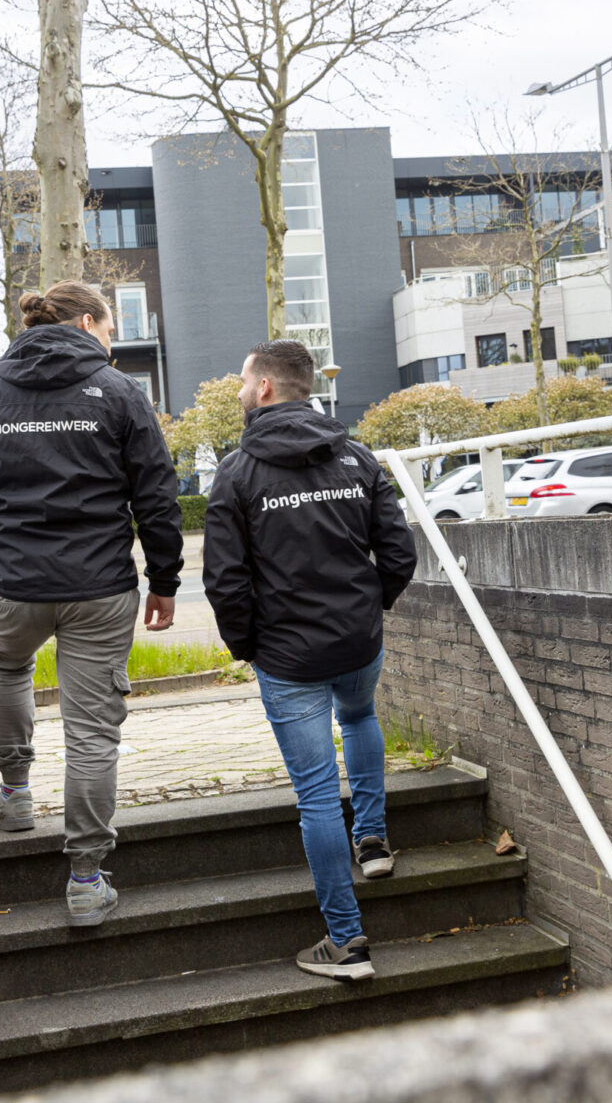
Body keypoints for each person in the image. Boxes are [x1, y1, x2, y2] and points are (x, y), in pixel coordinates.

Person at [0, 281, 184, 928]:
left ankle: (13, 794)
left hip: (16, 588)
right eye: (108, 329)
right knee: (92, 731)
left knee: (7, 670)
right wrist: (165, 579)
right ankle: (86, 879)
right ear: (89, 322)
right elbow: (156, 494)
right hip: (100, 588)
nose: (112, 343)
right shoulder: (120, 395)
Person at [203, 339, 419, 982]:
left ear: (266, 387)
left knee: (318, 795)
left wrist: (250, 646)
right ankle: (374, 842)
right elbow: (399, 553)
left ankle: (348, 943)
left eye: (244, 381)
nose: (241, 391)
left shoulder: (236, 472)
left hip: (289, 658)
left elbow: (224, 581)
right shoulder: (356, 456)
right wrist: (367, 611)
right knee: (359, 719)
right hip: (358, 643)